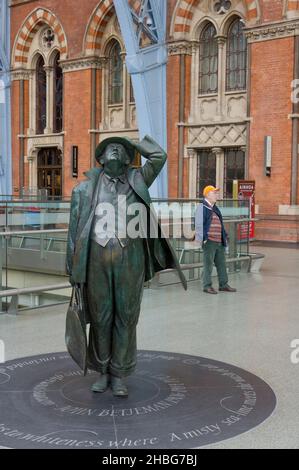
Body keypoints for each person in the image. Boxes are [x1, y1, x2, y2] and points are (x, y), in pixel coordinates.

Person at [66, 135, 187, 397]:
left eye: (120, 149)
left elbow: (159, 156)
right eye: (110, 148)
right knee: (101, 319)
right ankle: (102, 372)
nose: (115, 151)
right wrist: (72, 270)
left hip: (130, 261)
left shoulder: (138, 180)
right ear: (100, 158)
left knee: (126, 318)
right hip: (95, 263)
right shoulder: (83, 190)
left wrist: (134, 141)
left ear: (127, 159)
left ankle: (119, 373)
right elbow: (74, 232)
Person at [194, 185, 236, 295]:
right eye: (214, 193)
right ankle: (207, 286)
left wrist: (225, 236)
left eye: (217, 193)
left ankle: (223, 285)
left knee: (221, 264)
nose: (217, 195)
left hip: (219, 241)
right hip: (209, 241)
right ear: (207, 194)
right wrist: (202, 239)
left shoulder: (215, 208)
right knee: (208, 264)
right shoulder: (201, 207)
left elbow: (220, 224)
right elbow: (198, 225)